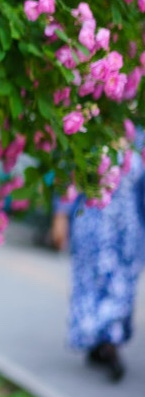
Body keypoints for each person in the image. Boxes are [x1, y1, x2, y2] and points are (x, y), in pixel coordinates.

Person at [50, 148, 145, 382]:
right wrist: (60, 216)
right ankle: (100, 343)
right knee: (93, 282)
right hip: (94, 223)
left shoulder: (139, 138)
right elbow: (68, 173)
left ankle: (109, 342)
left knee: (122, 287)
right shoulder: (92, 134)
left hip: (128, 229)